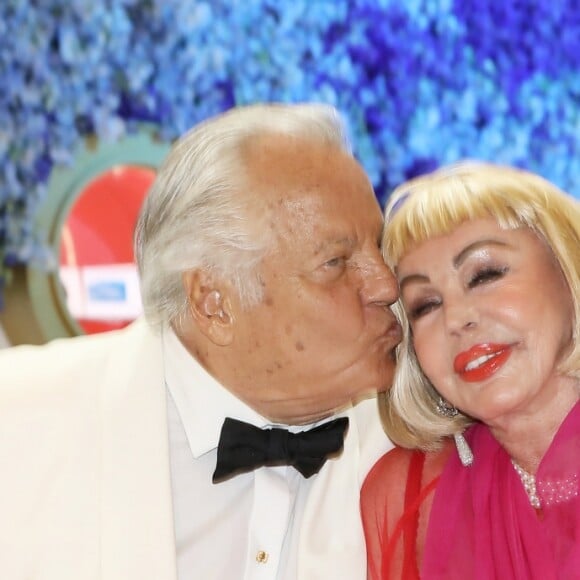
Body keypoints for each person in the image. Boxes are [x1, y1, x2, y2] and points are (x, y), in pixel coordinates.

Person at [0, 103, 403, 580]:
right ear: (214, 303)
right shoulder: (19, 421)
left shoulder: (422, 435)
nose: (385, 285)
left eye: (379, 247)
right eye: (336, 262)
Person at [361, 161, 580, 579]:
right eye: (425, 305)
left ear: (569, 273)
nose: (456, 318)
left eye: (484, 275)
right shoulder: (405, 497)